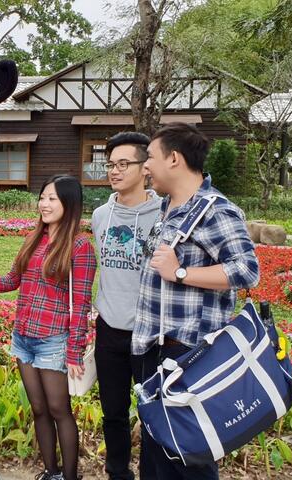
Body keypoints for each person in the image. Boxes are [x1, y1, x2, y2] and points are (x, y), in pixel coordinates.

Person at [132, 123, 260, 480]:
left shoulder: (216, 210)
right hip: (154, 348)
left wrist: (180, 272)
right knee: (157, 453)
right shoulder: (168, 206)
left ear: (174, 159)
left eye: (150, 158)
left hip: (188, 353)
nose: (145, 166)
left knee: (189, 457)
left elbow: (247, 270)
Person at [0, 175, 96, 480]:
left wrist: (74, 351)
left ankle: (70, 476)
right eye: (42, 197)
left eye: (52, 199)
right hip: (23, 338)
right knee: (39, 409)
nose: (44, 204)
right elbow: (10, 281)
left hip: (53, 339)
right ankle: (50, 472)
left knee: (59, 410)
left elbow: (81, 302)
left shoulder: (79, 246)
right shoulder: (34, 238)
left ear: (69, 203)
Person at [92, 132, 161, 480]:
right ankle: (117, 473)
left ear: (145, 168)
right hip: (108, 329)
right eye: (110, 164)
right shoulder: (100, 215)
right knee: (113, 413)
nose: (114, 171)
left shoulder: (164, 215)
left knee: (153, 414)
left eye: (123, 164)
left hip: (149, 332)